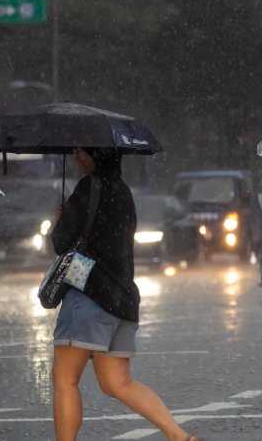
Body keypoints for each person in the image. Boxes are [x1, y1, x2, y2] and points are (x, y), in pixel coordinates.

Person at [49, 148, 199, 441]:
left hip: (88, 294)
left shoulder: (88, 187)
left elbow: (61, 242)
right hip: (122, 299)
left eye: (82, 152)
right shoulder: (124, 191)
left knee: (65, 381)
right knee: (118, 383)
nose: (78, 158)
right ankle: (181, 437)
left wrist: (63, 218)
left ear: (97, 155)